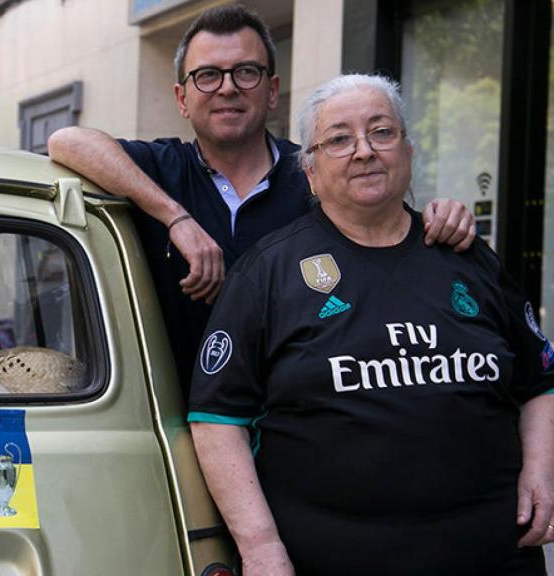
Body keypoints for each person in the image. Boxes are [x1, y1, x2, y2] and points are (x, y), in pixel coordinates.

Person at [188, 74, 554, 575]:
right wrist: (261, 547)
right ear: (310, 171)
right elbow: (216, 419)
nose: (364, 151)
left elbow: (540, 381)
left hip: (495, 556)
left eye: (382, 132)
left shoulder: (467, 257)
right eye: (339, 139)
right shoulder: (267, 273)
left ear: (408, 150)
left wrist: (542, 472)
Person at [47, 4, 475, 392]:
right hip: (177, 428)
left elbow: (385, 220)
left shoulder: (315, 171)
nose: (227, 88)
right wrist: (175, 217)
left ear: (272, 90)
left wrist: (441, 215)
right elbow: (67, 141)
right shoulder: (158, 171)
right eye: (207, 75)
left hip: (307, 421)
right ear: (182, 98)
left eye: (246, 72)